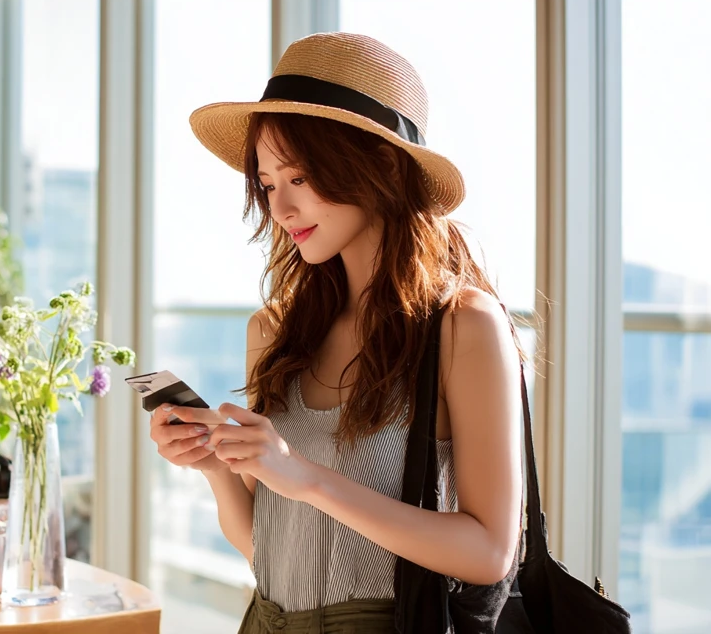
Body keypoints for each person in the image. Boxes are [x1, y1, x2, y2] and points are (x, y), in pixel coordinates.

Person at [148, 33, 525, 633]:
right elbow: (267, 548)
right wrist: (216, 468)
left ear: (378, 165)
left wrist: (306, 477)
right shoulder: (274, 332)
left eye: (299, 177)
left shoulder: (463, 326)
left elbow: (488, 553)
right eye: (268, 185)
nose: (280, 209)